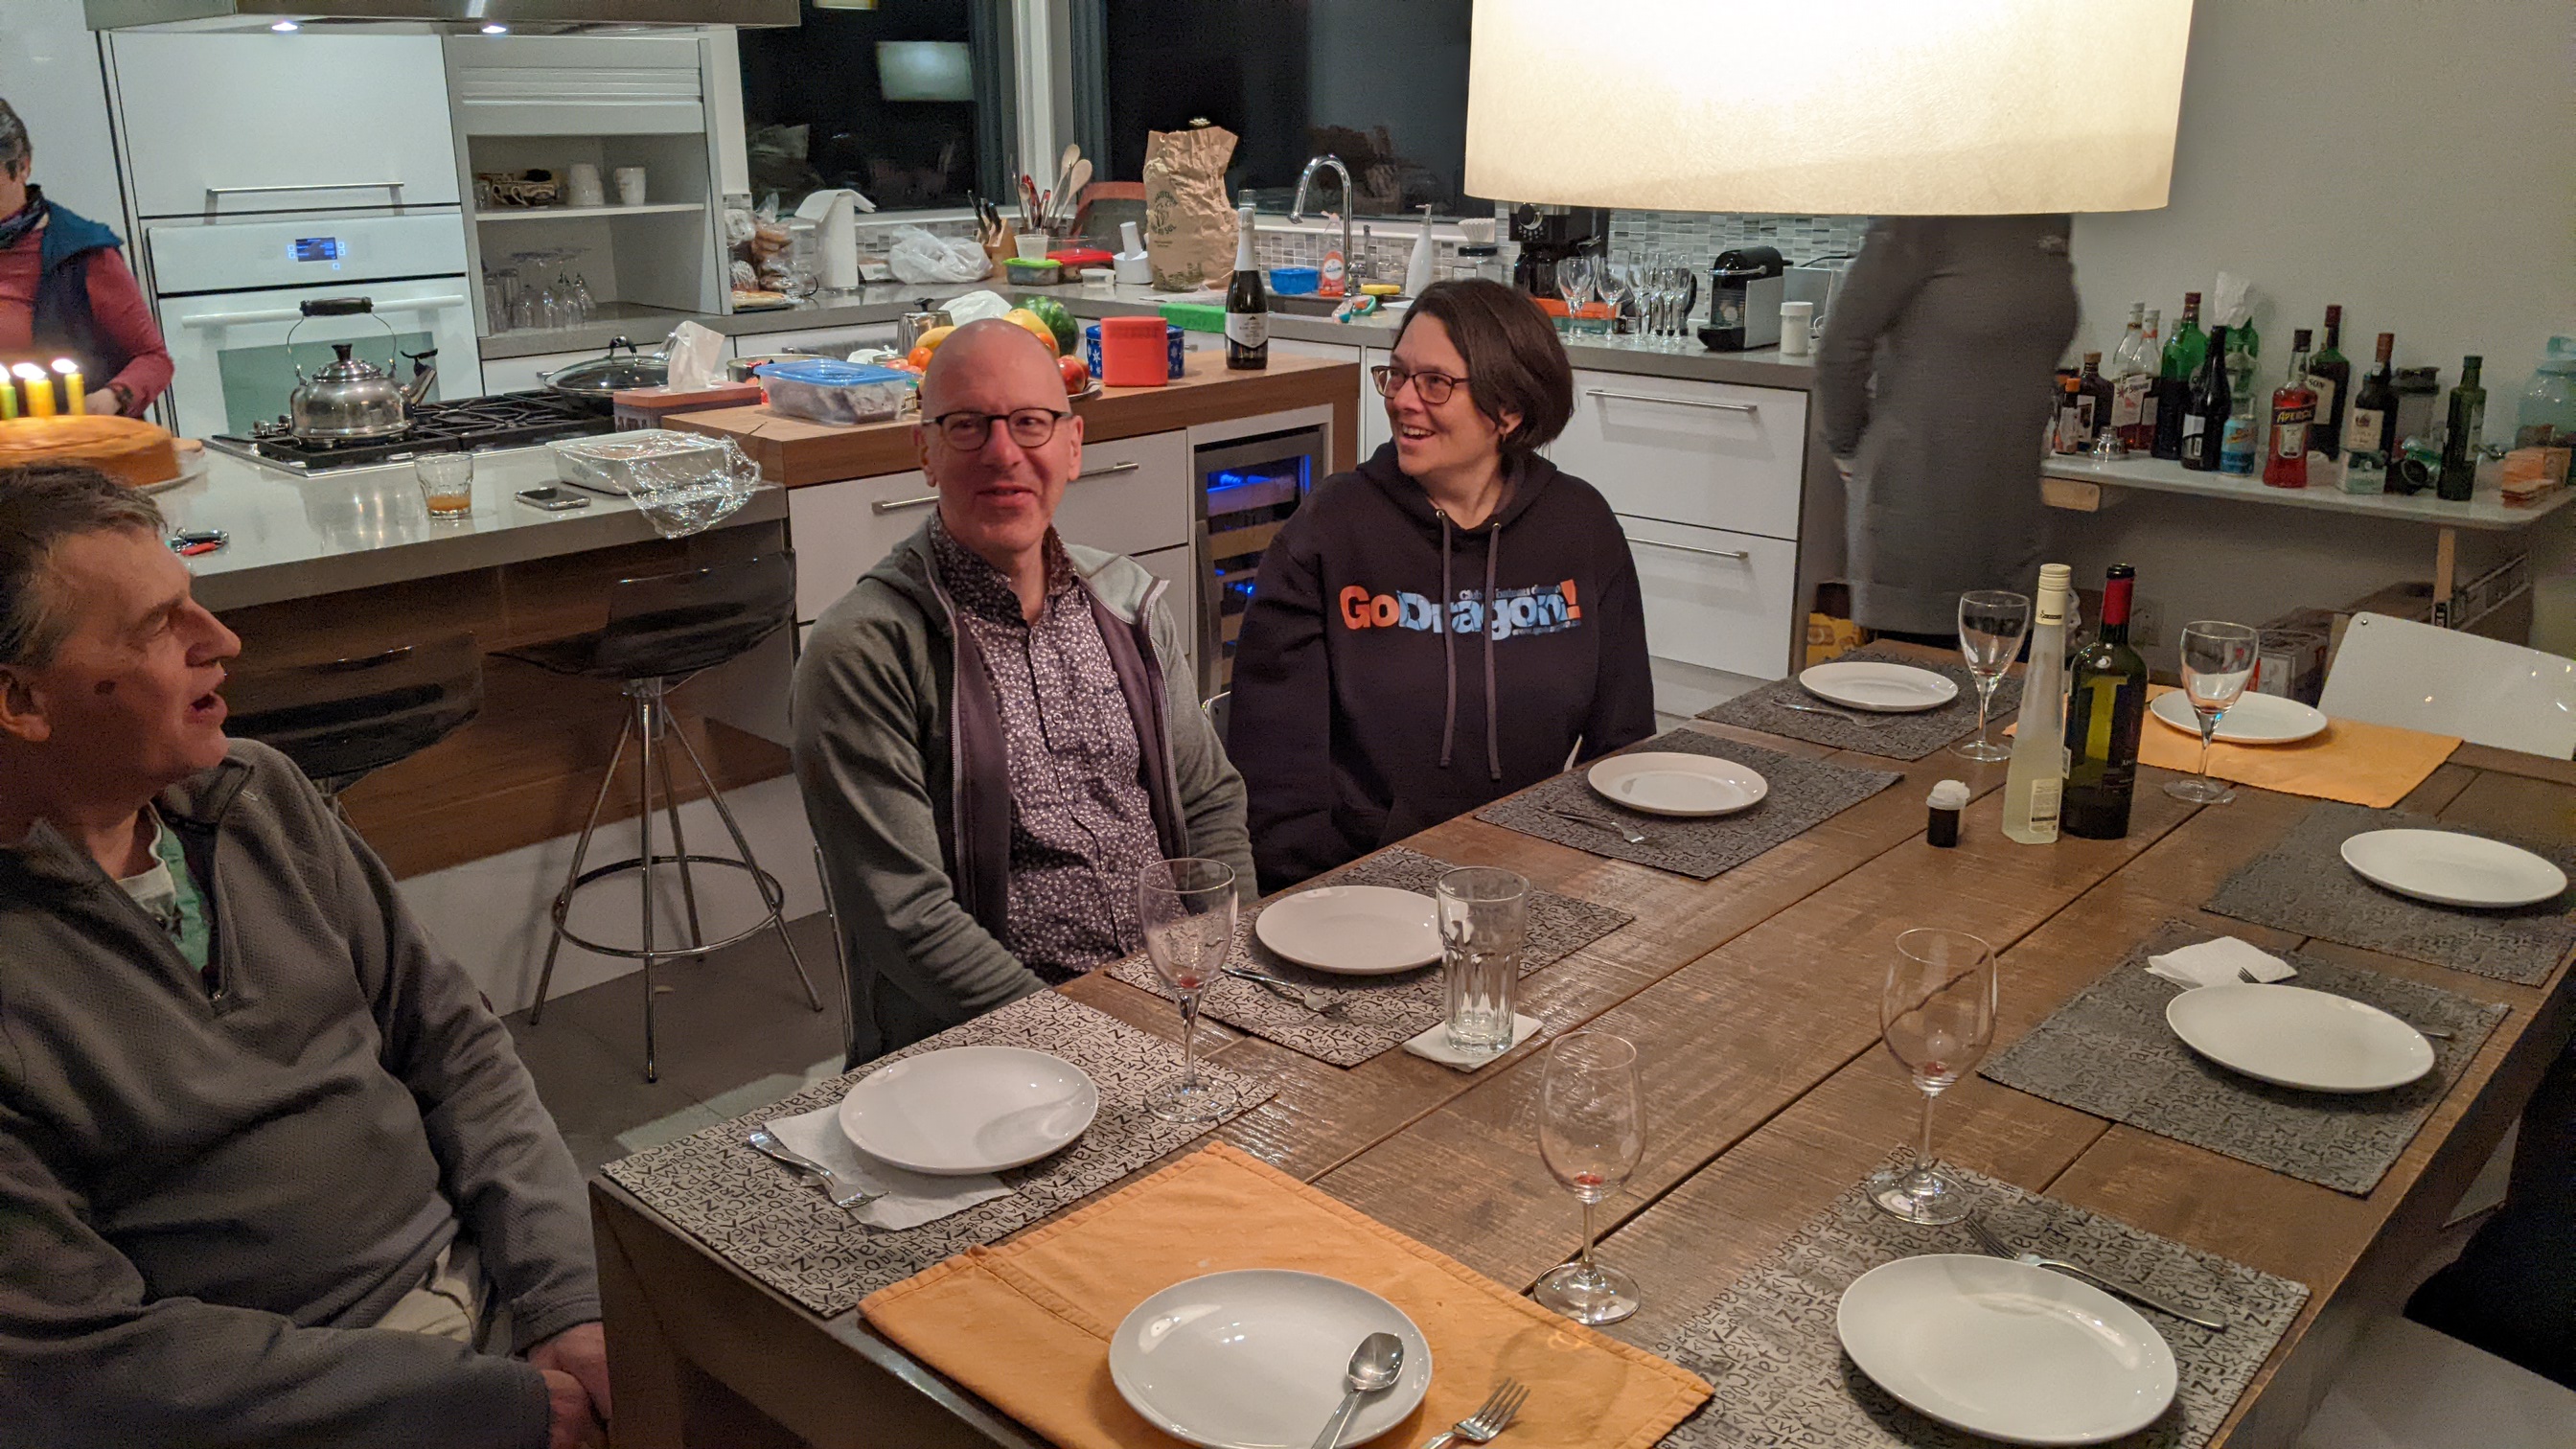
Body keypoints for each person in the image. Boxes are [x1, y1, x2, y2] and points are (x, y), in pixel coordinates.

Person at [0, 464, 609, 1447]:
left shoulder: (257, 796)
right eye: (156, 627)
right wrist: (491, 1407)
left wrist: (567, 1296)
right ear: (22, 699)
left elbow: (455, 1046)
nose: (221, 640)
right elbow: (78, 1361)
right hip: (307, 1410)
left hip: (491, 1297)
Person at [793, 319, 1253, 1063]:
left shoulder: (1128, 606)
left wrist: (1220, 976)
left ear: (1072, 446)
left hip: (1171, 1003)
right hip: (990, 1056)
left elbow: (1208, 803)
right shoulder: (865, 652)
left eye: (1030, 423)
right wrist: (1085, 1043)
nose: (1004, 453)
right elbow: (907, 917)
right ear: (925, 452)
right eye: (968, 426)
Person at [1227, 278, 1655, 892]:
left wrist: (1588, 873)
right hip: (1361, 882)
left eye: (1434, 383)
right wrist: (1319, 899)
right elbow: (1275, 770)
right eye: (1397, 376)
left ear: (1509, 409)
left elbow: (1622, 743)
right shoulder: (1331, 530)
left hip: (1533, 872)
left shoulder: (1580, 526)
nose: (1403, 400)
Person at [1813, 216, 2079, 643]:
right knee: (1914, 676)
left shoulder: (2050, 218)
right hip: (1918, 516)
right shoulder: (1920, 217)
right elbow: (1840, 351)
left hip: (2013, 520)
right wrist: (1852, 458)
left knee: (2011, 682)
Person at [0, 96, 172, 418]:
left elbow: (153, 359)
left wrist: (112, 398)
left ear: (22, 167)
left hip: (75, 440)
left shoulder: (83, 252)